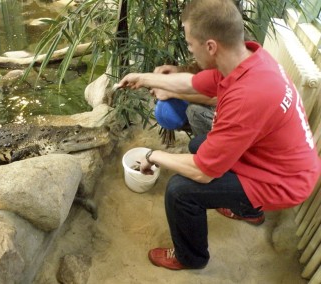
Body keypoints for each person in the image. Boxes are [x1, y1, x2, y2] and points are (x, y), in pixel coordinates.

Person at [118, 0, 320, 270]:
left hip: (283, 181)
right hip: (278, 158)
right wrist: (144, 78)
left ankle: (190, 257)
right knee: (198, 144)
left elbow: (204, 172)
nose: (189, 49)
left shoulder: (248, 97)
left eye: (191, 44)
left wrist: (152, 155)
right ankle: (245, 208)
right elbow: (191, 82)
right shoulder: (250, 60)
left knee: (180, 191)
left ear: (211, 46)